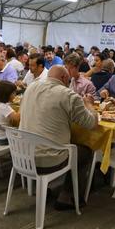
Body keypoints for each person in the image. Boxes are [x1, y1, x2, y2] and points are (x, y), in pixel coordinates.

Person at [20, 65, 98, 209]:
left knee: (55, 140)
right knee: (85, 151)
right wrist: (89, 104)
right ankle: (67, 197)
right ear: (63, 78)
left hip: (21, 155)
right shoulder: (68, 95)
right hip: (47, 160)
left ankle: (44, 187)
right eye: (68, 81)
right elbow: (91, 123)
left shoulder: (31, 87)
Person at [0, 80, 21, 145]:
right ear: (6, 95)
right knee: (24, 133)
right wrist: (23, 104)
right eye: (13, 93)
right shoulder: (4, 107)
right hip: (4, 138)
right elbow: (17, 118)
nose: (15, 95)